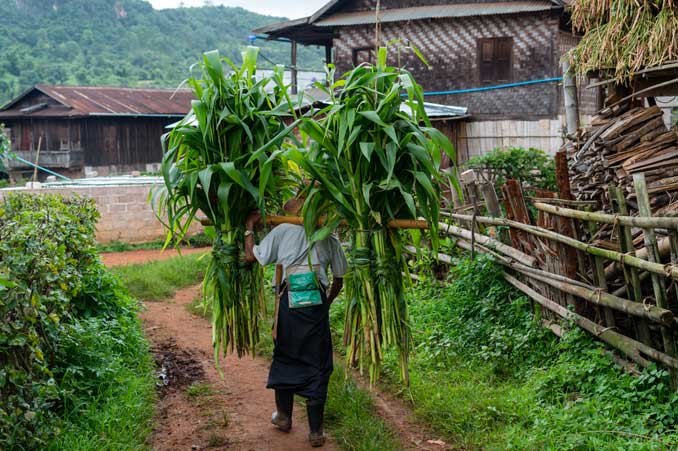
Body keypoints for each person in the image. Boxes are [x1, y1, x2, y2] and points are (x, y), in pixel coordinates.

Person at [244, 198, 348, 448]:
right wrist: (326, 303)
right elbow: (339, 278)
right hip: (316, 307)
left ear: (289, 214)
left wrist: (249, 225)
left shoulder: (281, 231)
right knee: (318, 361)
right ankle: (315, 432)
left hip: (290, 304)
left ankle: (283, 417)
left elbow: (250, 256)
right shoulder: (328, 236)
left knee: (287, 354)